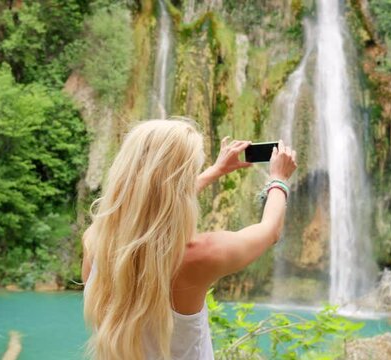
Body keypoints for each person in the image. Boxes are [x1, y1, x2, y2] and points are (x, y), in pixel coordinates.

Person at [82, 119, 297, 360]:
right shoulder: (199, 254)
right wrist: (279, 178)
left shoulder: (95, 241)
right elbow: (270, 230)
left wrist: (215, 171)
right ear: (181, 184)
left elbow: (151, 203)